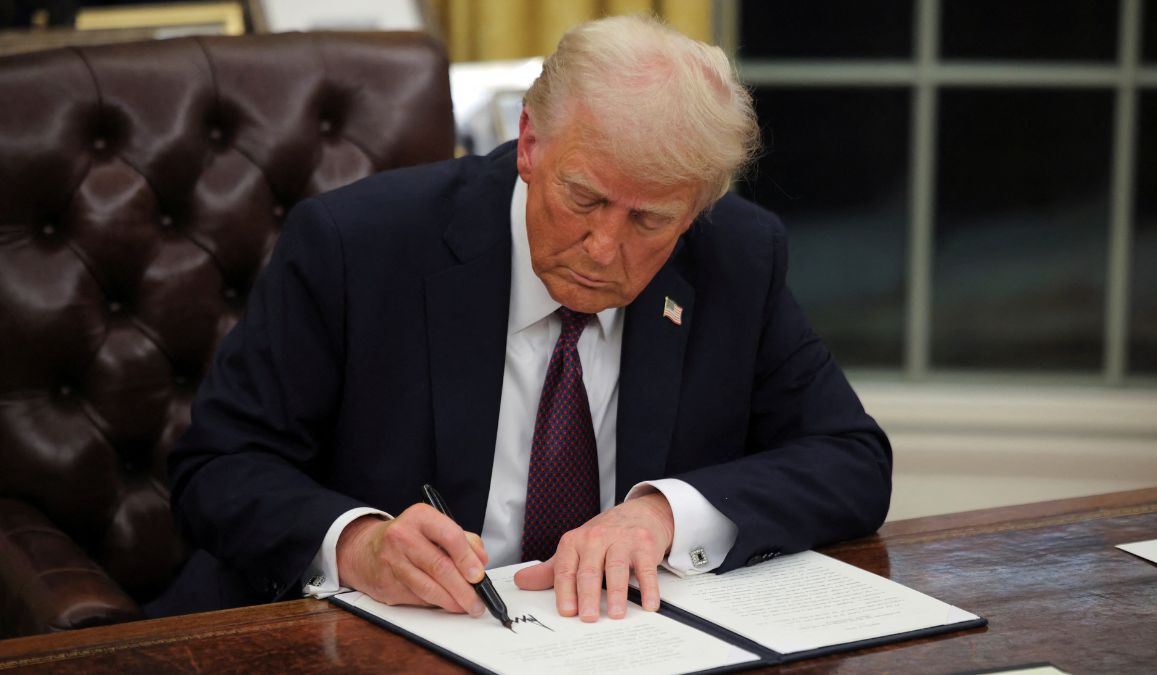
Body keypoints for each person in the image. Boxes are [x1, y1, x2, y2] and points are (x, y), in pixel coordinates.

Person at [153, 15, 892, 624]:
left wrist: (665, 516)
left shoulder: (736, 257)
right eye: (584, 199)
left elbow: (851, 458)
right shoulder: (357, 247)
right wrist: (359, 545)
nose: (603, 248)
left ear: (697, 208)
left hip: (616, 645)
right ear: (530, 143)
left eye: (649, 221)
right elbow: (218, 465)